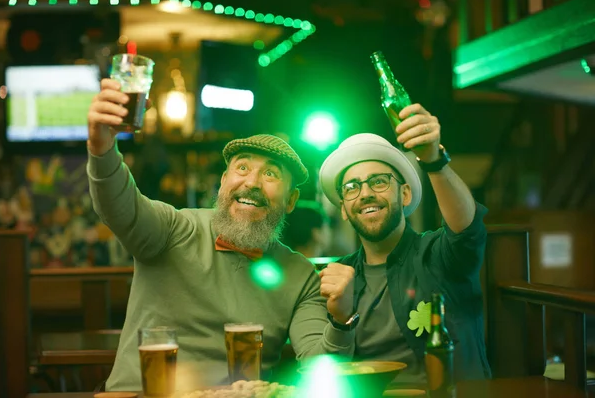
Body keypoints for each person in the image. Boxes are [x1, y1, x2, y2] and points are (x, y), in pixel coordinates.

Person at [86, 79, 356, 391]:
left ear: (292, 200)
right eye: (242, 168)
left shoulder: (300, 276)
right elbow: (119, 206)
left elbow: (321, 366)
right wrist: (102, 148)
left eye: (271, 174)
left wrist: (341, 320)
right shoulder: (174, 228)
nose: (252, 182)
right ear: (223, 182)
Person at [318, 103, 492, 384]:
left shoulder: (438, 254)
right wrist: (340, 319)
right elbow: (325, 370)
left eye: (378, 182)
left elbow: (467, 229)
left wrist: (433, 160)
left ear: (405, 194)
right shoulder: (337, 276)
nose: (364, 194)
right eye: (351, 187)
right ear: (343, 208)